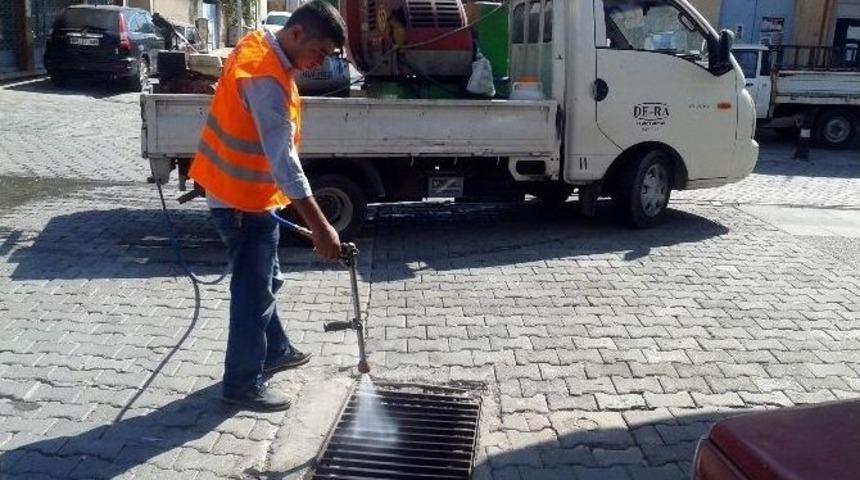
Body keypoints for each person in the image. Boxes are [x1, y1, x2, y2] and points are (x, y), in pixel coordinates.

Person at [188, 1, 347, 412]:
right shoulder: (265, 78)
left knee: (266, 280)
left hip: (246, 196)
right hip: (239, 203)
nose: (319, 63)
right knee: (252, 294)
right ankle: (241, 383)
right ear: (296, 34)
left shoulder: (262, 45)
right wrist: (322, 227)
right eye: (319, 52)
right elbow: (284, 162)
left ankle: (275, 349)